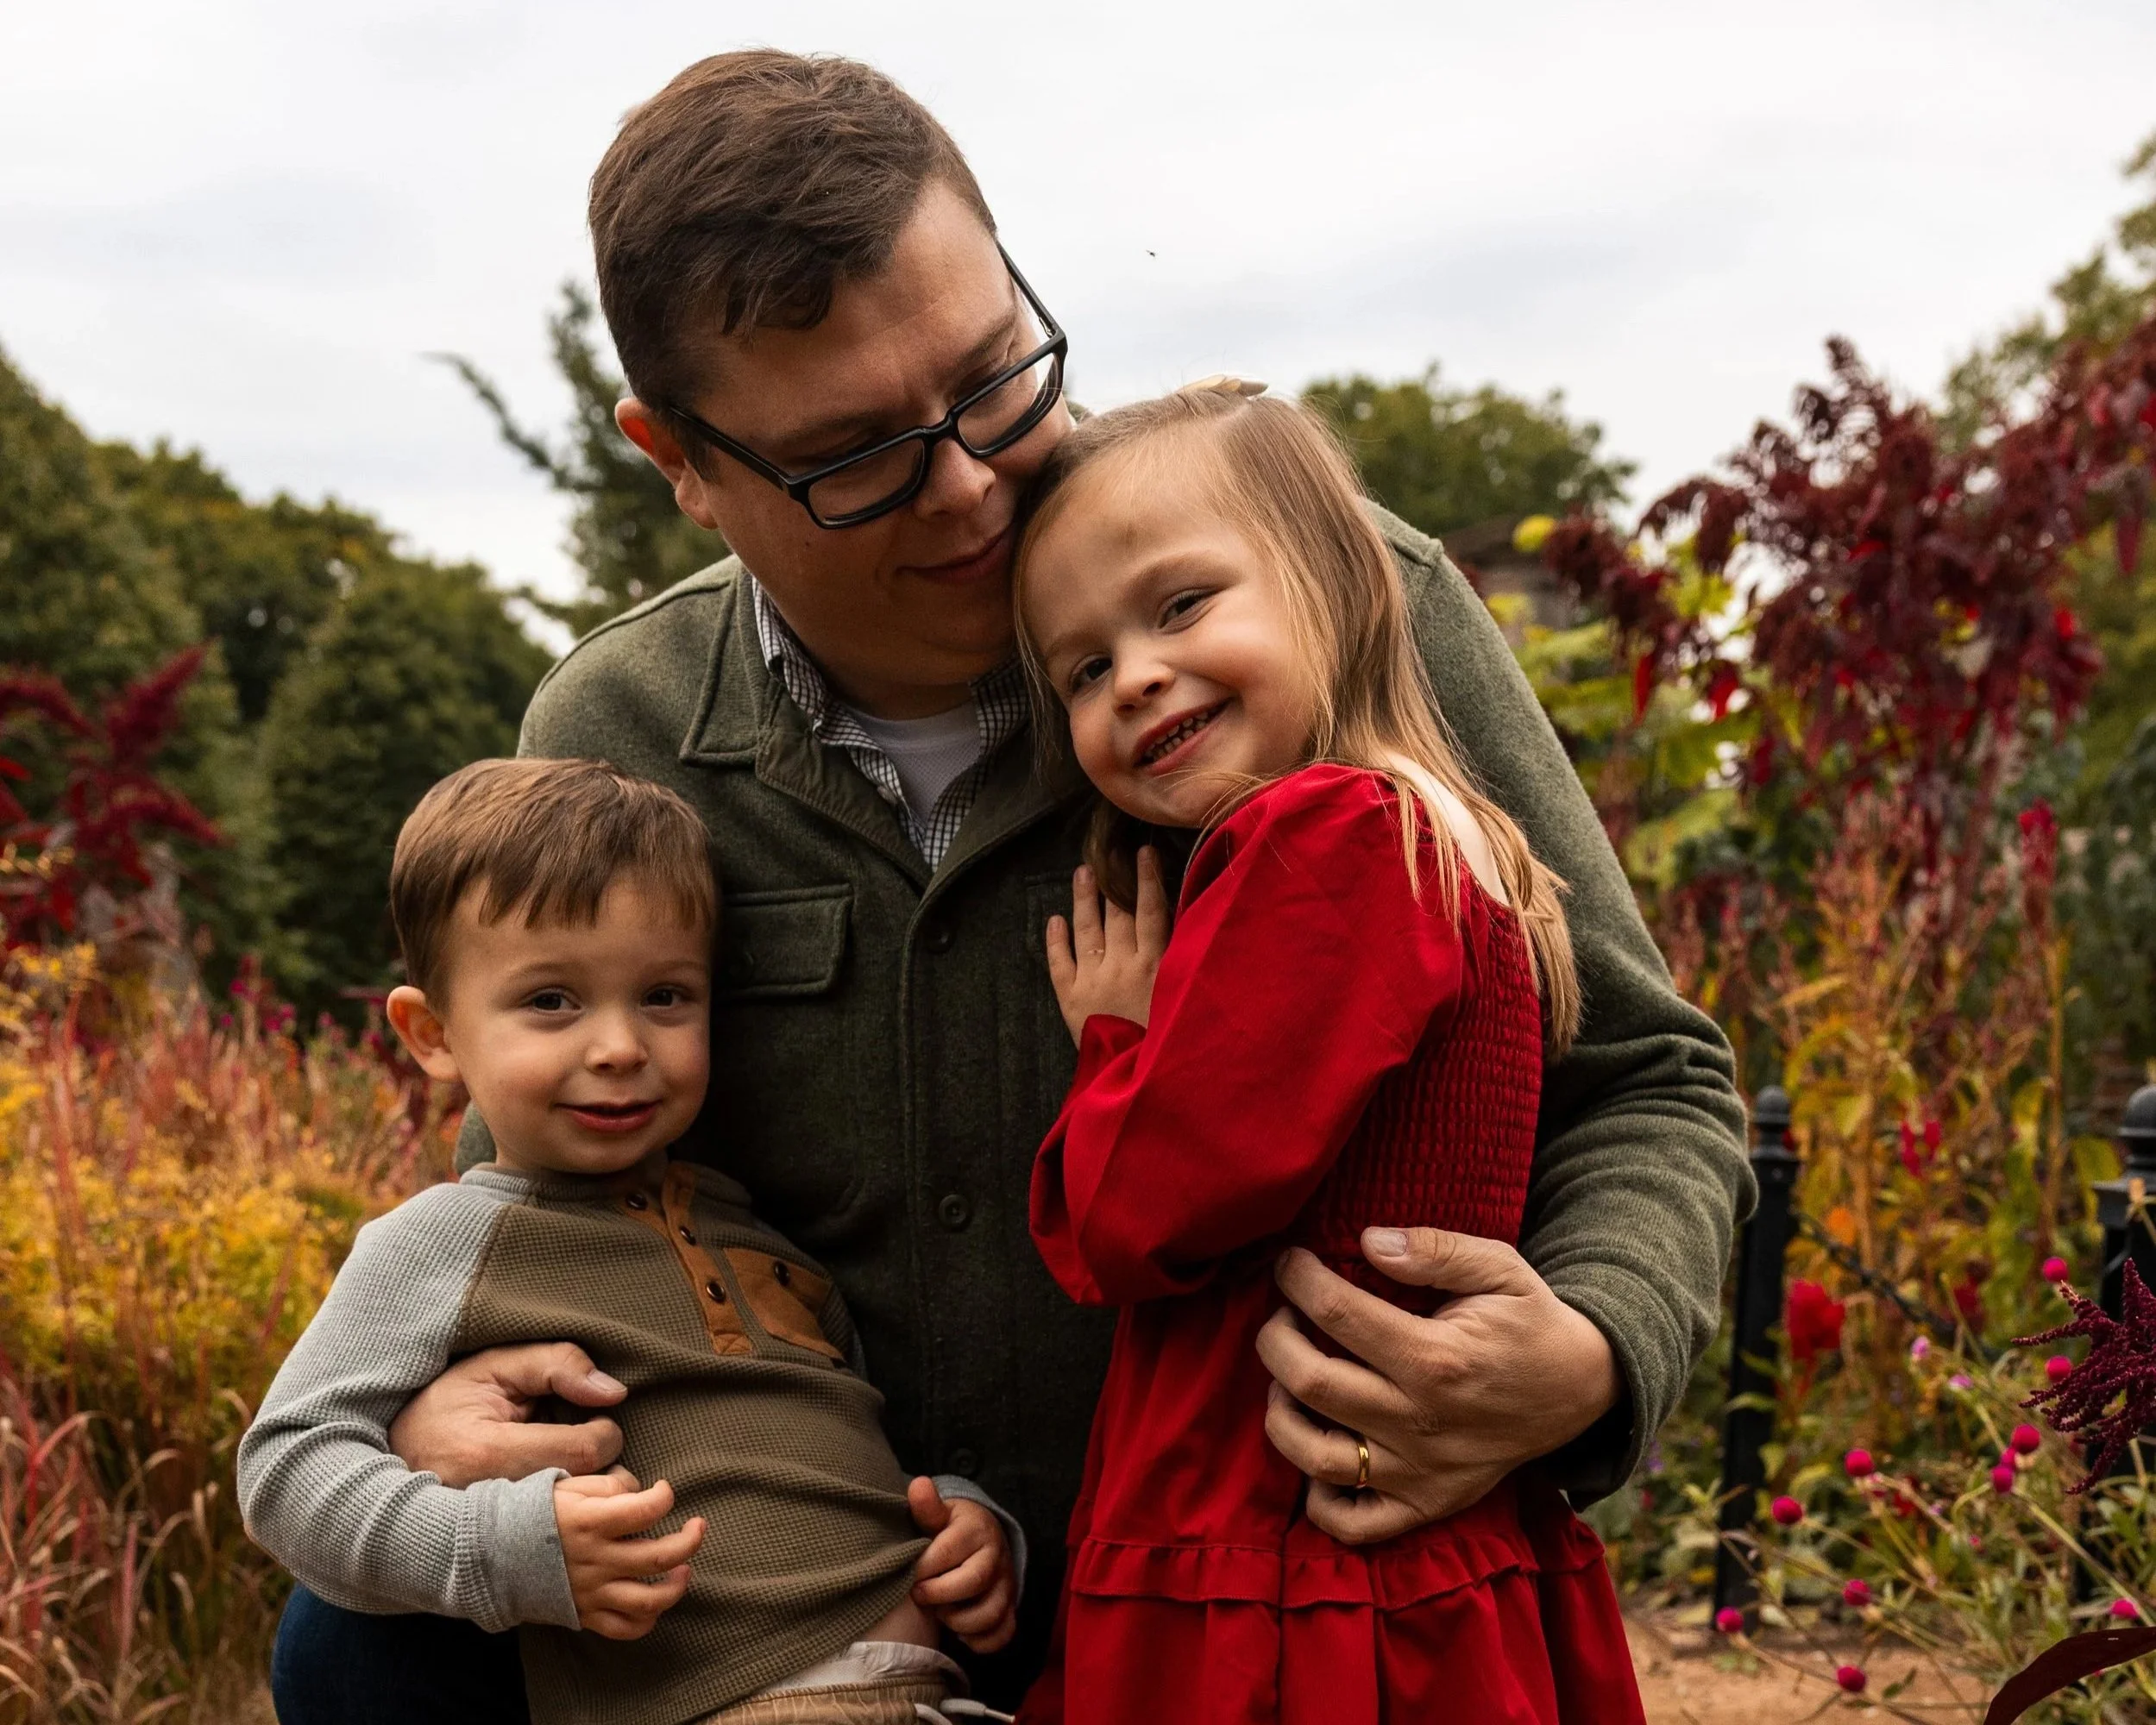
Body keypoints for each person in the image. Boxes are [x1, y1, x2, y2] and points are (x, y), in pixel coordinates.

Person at [272, 50, 1752, 1722]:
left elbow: (1643, 1078)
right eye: (855, 457)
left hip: (1246, 1585)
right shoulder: (616, 730)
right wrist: (466, 1398)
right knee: (357, 1652)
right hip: (823, 1607)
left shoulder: (1325, 609)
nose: (972, 484)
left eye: (994, 381)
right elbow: (548, 1183)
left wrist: (1588, 1353)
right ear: (678, 458)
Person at [1012, 381, 1645, 1722]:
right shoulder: (1450, 835)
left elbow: (1137, 1215)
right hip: (1386, 1544)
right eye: (1080, 667)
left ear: (1338, 587)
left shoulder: (1327, 842)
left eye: (1180, 606)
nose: (1131, 673)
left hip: (1279, 1566)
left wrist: (1117, 1037)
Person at [242, 758, 1020, 1725]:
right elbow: (287, 1468)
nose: (619, 1045)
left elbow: (844, 1443)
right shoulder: (442, 1239)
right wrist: (507, 1547)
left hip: (928, 1693)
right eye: (552, 1001)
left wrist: (964, 1518)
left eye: (664, 996)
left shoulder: (761, 1232)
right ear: (432, 1033)